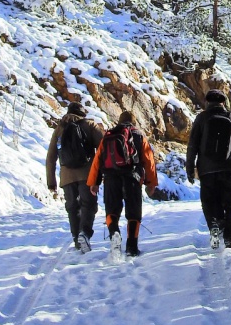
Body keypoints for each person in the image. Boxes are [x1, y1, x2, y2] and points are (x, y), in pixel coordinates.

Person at [87, 110, 157, 257]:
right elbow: (148, 160)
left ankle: (114, 233)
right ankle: (131, 247)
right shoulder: (138, 135)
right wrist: (151, 183)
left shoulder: (109, 135)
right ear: (134, 122)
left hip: (111, 178)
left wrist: (94, 182)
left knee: (112, 210)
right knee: (133, 212)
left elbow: (98, 159)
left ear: (119, 121)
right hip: (133, 177)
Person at [186, 89, 231, 249]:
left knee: (208, 201)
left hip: (207, 169)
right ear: (223, 102)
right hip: (229, 168)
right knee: (230, 203)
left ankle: (215, 225)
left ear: (207, 102)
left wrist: (190, 168)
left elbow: (192, 145)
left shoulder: (201, 118)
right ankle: (230, 238)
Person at [46, 100, 104, 253]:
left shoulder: (59, 128)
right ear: (82, 113)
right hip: (87, 174)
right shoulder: (89, 125)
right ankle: (84, 233)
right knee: (89, 205)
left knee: (72, 207)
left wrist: (51, 182)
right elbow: (104, 148)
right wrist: (102, 172)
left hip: (66, 176)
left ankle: (77, 239)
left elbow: (51, 157)